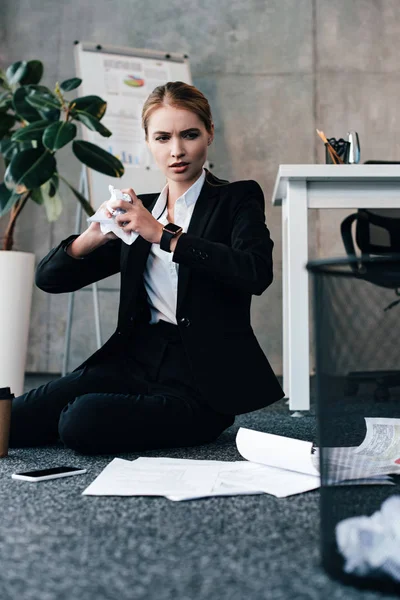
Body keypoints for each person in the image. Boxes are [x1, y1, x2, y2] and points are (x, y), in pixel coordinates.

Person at [9, 81, 284, 455]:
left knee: (80, 421)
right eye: (162, 137)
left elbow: (255, 272)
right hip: (133, 361)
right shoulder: (140, 210)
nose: (177, 150)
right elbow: (49, 280)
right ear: (148, 141)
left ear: (209, 134)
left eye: (189, 135)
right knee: (11, 419)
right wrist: (90, 238)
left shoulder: (236, 199)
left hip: (199, 381)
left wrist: (164, 235)